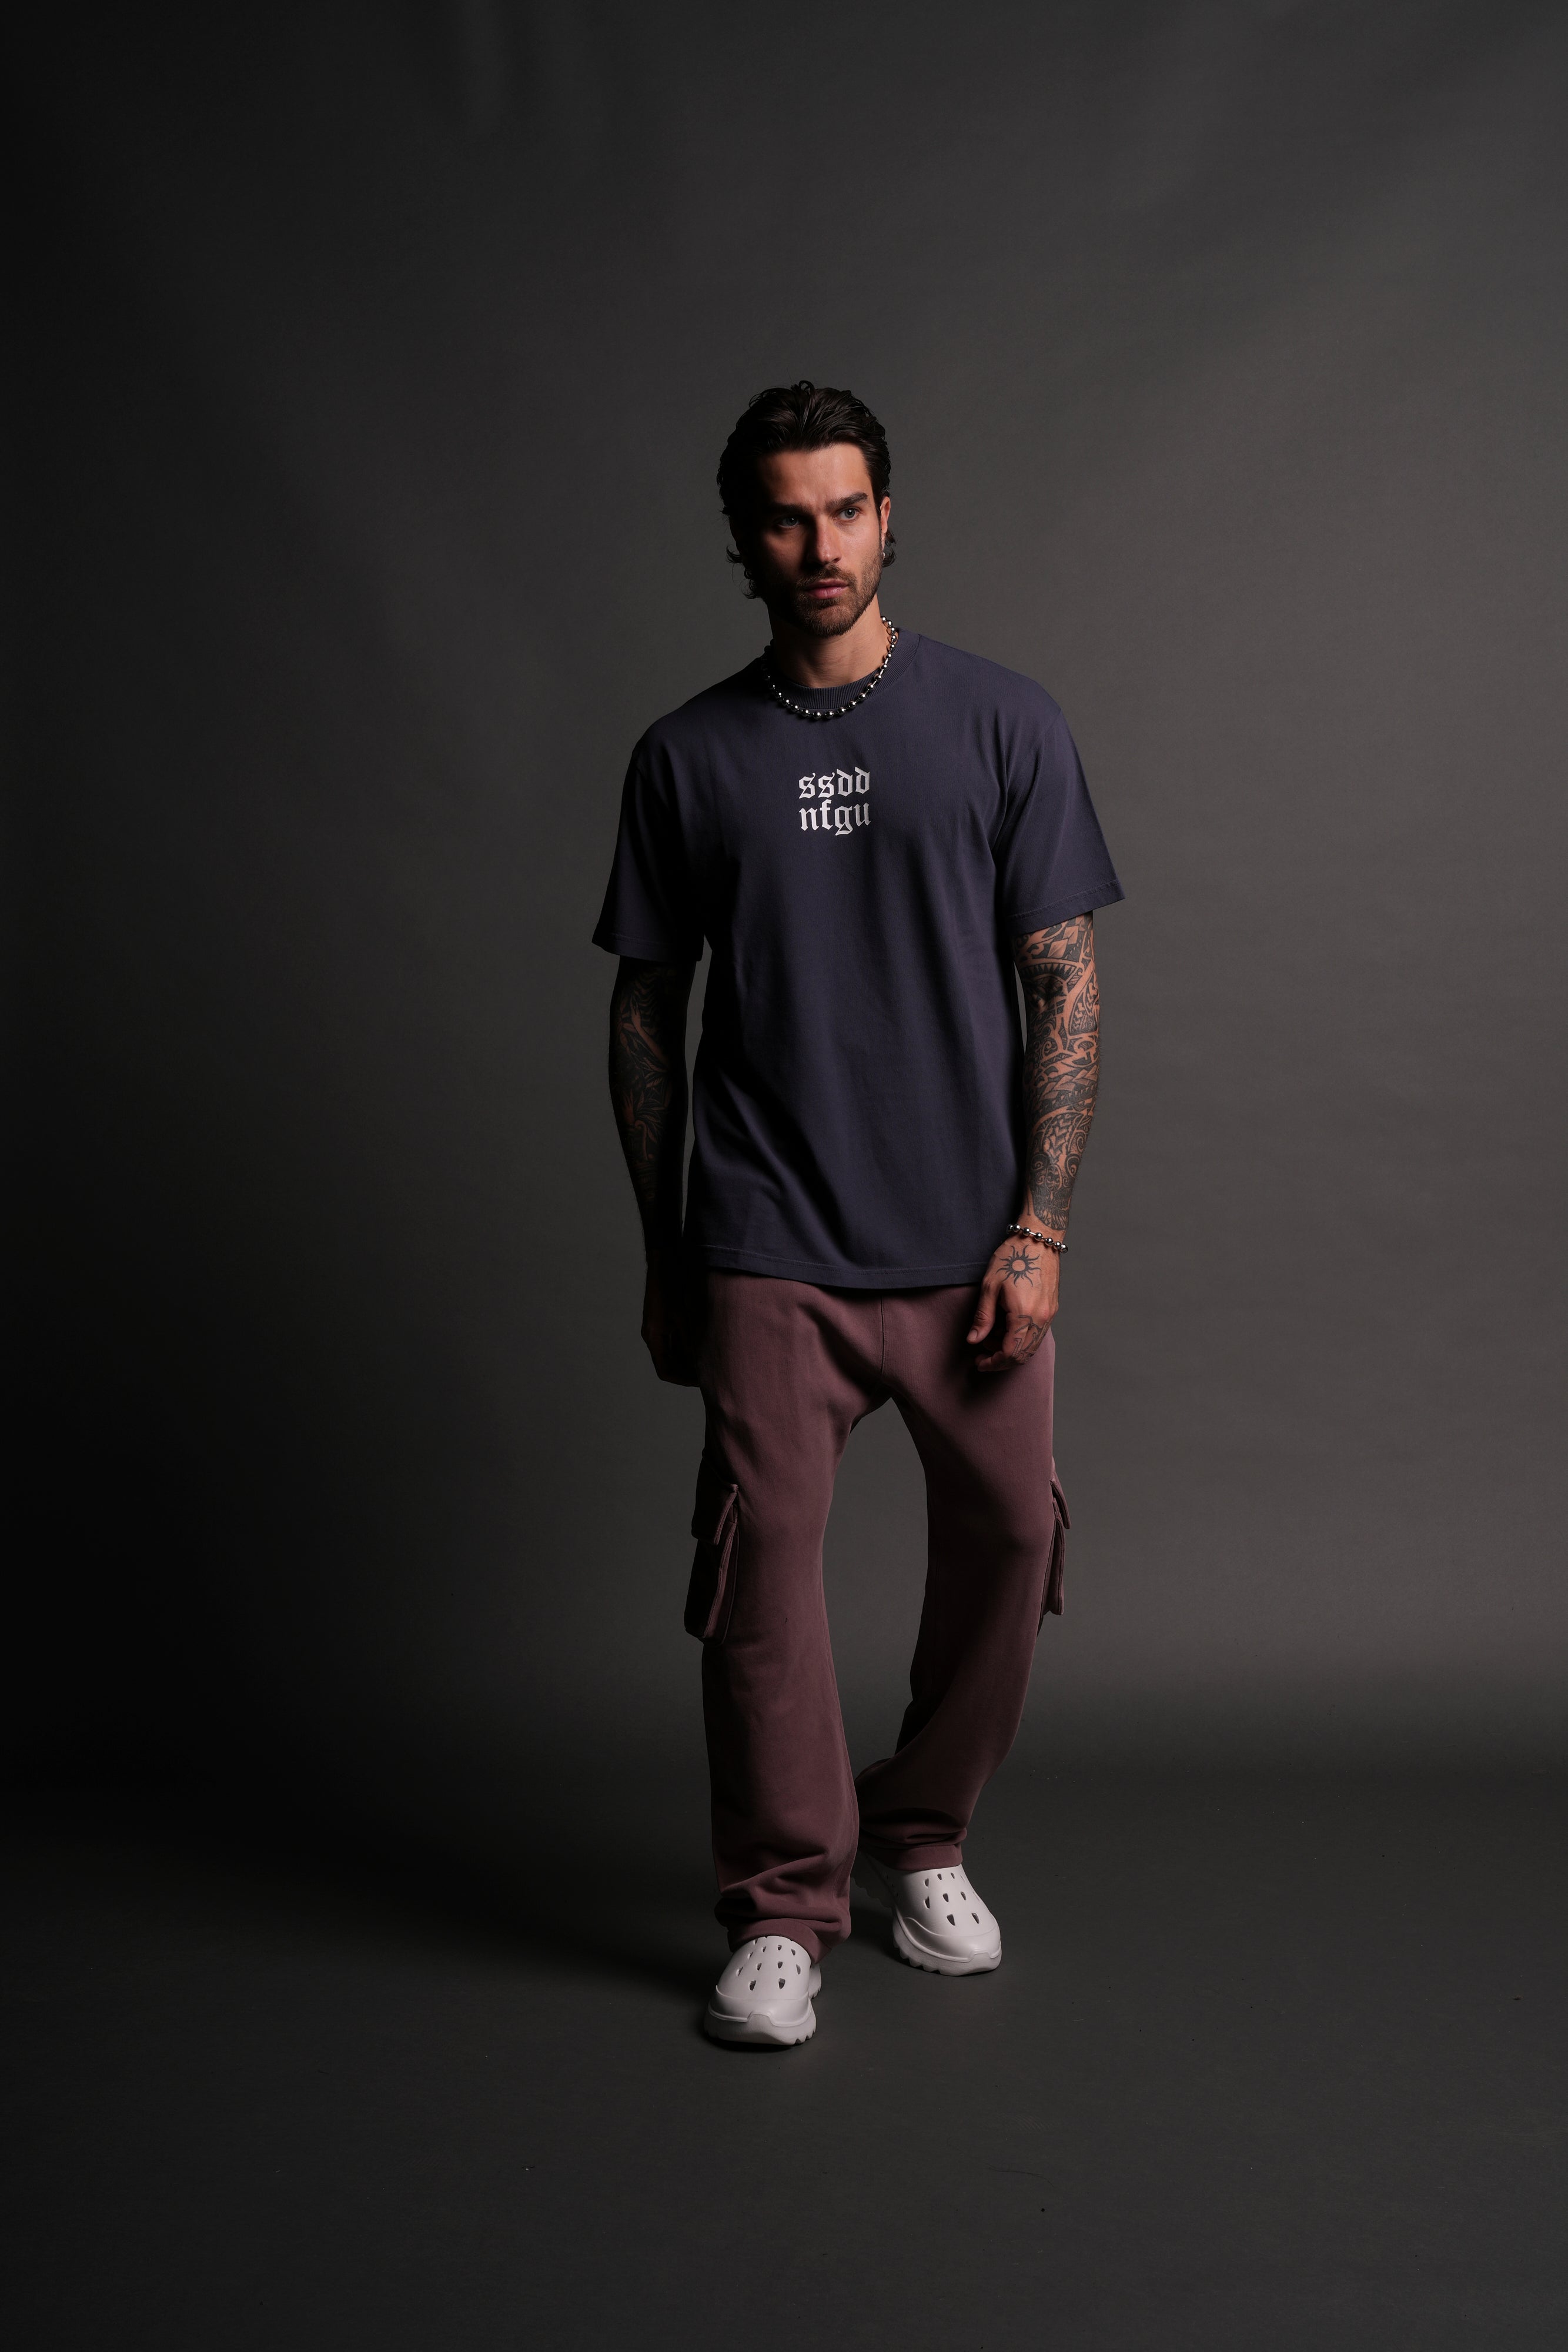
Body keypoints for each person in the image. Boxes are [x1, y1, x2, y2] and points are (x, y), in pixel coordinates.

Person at [594, 381, 1122, 2047]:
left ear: (888, 517)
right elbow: (643, 1014)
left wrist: (1039, 1226)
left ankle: (922, 1830)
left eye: (844, 510)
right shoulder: (686, 757)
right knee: (760, 1573)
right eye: (784, 516)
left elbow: (1063, 980)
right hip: (767, 1238)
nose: (818, 544)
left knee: (1013, 1540)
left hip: (969, 1245)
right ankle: (780, 1908)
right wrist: (668, 1249)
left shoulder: (1002, 722)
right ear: (741, 539)